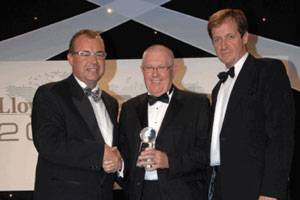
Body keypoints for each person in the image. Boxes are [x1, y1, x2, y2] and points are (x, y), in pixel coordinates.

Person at [207, 9, 295, 200]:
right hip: (221, 187)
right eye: (217, 39)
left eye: (230, 36)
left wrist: (271, 192)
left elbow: (281, 137)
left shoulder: (268, 71)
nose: (223, 45)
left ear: (245, 37)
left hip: (257, 190)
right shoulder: (217, 88)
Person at [31, 29, 122, 200]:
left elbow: (112, 153)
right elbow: (48, 143)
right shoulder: (51, 94)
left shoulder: (111, 103)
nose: (93, 61)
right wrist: (99, 153)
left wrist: (118, 162)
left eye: (99, 54)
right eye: (85, 53)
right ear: (70, 59)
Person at [119, 44, 210, 200]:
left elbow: (206, 154)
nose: (155, 74)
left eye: (161, 67)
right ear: (142, 70)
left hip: (182, 194)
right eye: (149, 68)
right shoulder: (129, 108)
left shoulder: (197, 104)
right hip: (138, 194)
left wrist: (169, 161)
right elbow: (123, 154)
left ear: (173, 70)